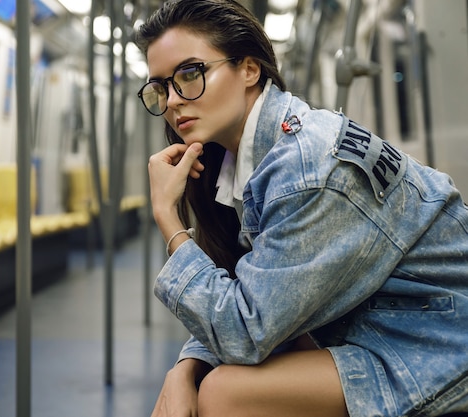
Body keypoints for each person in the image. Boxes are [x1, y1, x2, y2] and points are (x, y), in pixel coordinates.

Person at [134, 1, 468, 416]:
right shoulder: (252, 157)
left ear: (250, 70)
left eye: (190, 74)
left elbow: (244, 333)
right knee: (212, 381)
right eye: (161, 87)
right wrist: (187, 366)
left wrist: (169, 219)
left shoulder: (306, 168)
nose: (173, 100)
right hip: (389, 324)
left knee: (224, 394)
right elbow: (257, 288)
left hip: (441, 342)